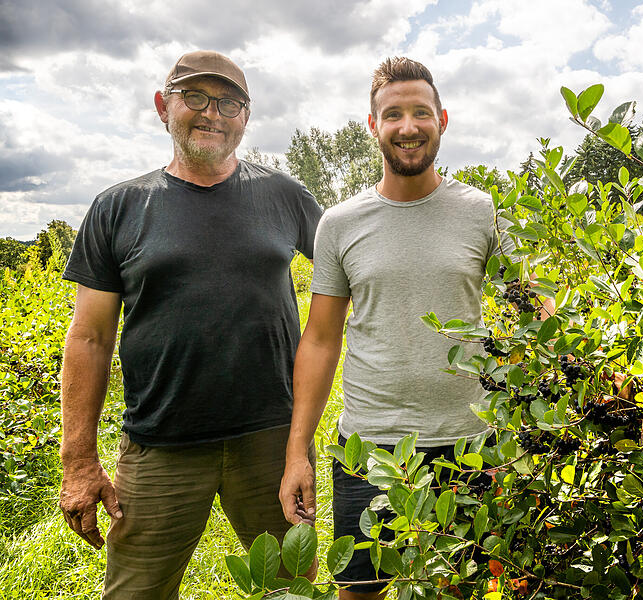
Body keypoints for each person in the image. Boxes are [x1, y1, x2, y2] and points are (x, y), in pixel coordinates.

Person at [59, 50, 322, 598]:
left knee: (291, 591)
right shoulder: (119, 208)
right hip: (160, 447)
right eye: (195, 97)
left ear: (246, 117)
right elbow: (89, 337)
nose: (213, 113)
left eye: (229, 102)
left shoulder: (284, 196)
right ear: (163, 105)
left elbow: (351, 273)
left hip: (273, 443)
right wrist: (79, 461)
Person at [279, 57, 516, 600]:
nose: (408, 127)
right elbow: (320, 340)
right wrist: (299, 452)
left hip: (469, 442)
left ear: (442, 119)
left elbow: (530, 310)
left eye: (420, 113)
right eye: (393, 115)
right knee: (361, 591)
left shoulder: (482, 212)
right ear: (373, 125)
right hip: (371, 447)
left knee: (468, 586)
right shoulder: (339, 224)